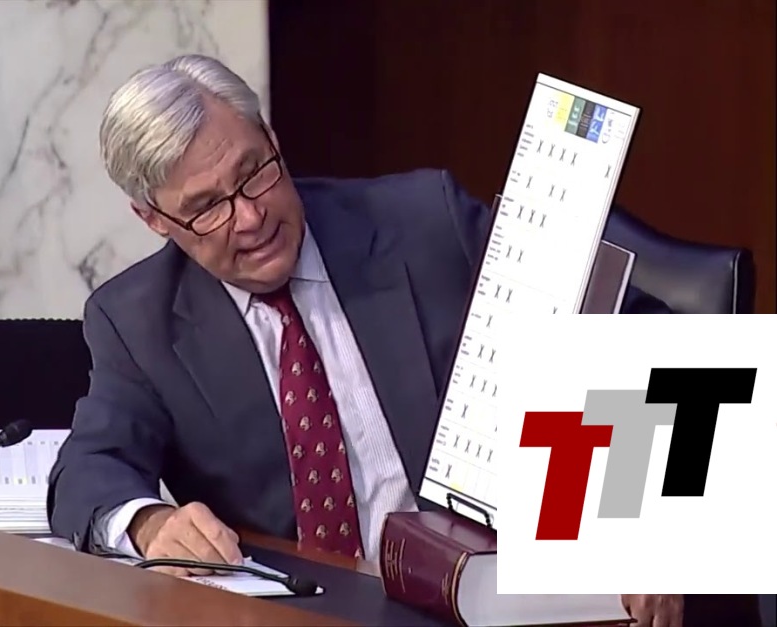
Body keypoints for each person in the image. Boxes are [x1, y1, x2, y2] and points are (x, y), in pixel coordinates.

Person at [47, 54, 681, 627]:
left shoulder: (425, 222)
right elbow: (89, 470)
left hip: (495, 600)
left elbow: (645, 339)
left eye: (255, 172)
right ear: (154, 218)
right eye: (208, 207)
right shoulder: (139, 322)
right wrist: (150, 524)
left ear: (272, 138)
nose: (251, 217)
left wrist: (640, 521)